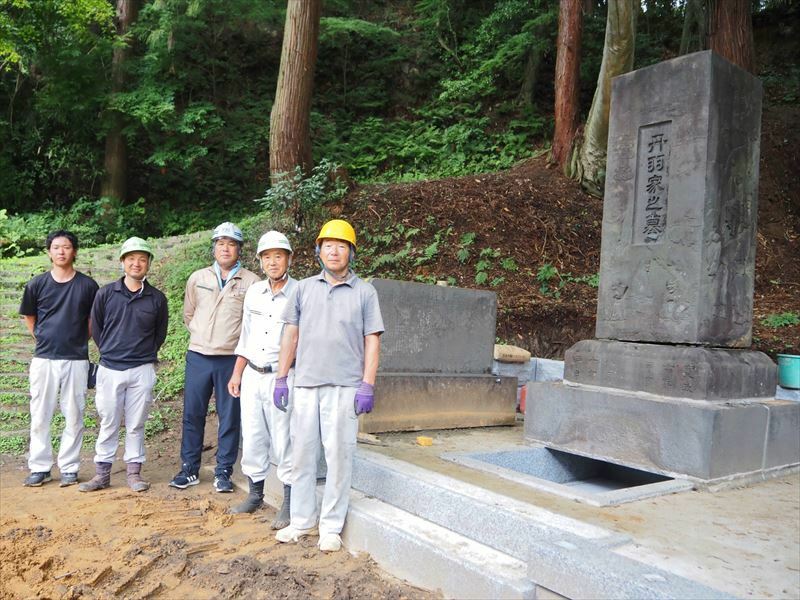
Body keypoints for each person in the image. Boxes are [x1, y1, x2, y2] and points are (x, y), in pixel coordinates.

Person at [273, 219, 383, 553]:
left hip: (345, 387)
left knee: (339, 457)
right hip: (306, 384)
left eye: (341, 246)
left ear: (351, 252)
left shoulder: (365, 292)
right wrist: (281, 377)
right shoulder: (303, 288)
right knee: (303, 454)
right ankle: (302, 522)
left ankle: (331, 527)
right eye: (328, 246)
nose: (334, 251)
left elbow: (372, 341)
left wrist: (367, 384)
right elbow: (290, 334)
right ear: (318, 251)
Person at [169, 223, 260, 492]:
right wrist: (200, 334)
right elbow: (189, 314)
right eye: (220, 243)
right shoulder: (198, 278)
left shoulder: (251, 282)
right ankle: (189, 469)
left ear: (239, 249)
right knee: (192, 414)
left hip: (231, 359)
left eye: (231, 244)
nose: (225, 248)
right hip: (198, 355)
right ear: (214, 247)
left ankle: (223, 471)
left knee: (229, 416)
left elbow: (250, 324)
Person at [79, 237, 168, 492]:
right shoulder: (106, 294)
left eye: (142, 259)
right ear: (122, 262)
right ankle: (102, 473)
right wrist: (110, 350)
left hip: (142, 369)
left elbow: (159, 333)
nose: (136, 264)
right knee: (108, 420)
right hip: (110, 368)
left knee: (136, 422)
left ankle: (134, 472)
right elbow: (96, 327)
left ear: (148, 263)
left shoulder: (157, 299)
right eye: (131, 259)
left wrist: (145, 354)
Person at [19, 230, 99, 487]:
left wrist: (77, 340)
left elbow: (92, 321)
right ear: (49, 252)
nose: (61, 251)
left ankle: (69, 467)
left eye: (66, 247)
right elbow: (29, 317)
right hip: (44, 358)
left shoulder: (88, 285)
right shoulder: (37, 284)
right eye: (56, 247)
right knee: (40, 413)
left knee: (74, 413)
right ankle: (40, 467)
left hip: (76, 358)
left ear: (74, 251)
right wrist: (42, 338)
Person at [227, 231, 296, 527]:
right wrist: (237, 372)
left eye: (278, 256)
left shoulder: (299, 293)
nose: (272, 262)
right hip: (253, 375)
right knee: (254, 436)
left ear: (289, 259)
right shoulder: (254, 292)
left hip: (282, 377)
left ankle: (290, 503)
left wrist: (285, 376)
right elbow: (246, 335)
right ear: (260, 261)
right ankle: (255, 494)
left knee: (285, 440)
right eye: (266, 257)